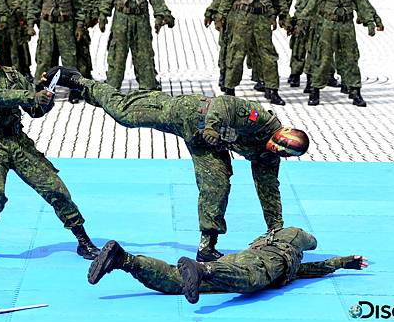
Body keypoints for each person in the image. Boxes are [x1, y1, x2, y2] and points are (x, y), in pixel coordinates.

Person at [49, 66, 311, 262]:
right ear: (281, 132)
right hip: (190, 115)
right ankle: (79, 81)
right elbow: (224, 104)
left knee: (216, 185)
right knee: (124, 114)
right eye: (275, 144)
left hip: (209, 144)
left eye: (279, 152)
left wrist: (275, 227)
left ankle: (206, 246)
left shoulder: (269, 157)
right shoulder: (259, 119)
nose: (272, 149)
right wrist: (212, 126)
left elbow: (269, 191)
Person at [0, 35, 99, 261]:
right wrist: (32, 94)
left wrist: (46, 95)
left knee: (55, 188)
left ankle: (83, 240)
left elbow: (35, 110)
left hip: (18, 142)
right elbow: (2, 97)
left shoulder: (13, 75)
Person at [88, 227, 368, 304]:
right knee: (250, 281)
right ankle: (203, 269)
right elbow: (310, 245)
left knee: (175, 282)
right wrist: (338, 261)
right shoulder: (289, 247)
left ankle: (124, 259)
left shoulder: (288, 262)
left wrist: (343, 263)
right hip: (260, 263)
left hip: (238, 260)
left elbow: (309, 269)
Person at [297, 0, 383, 107]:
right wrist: (300, 20)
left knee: (350, 59)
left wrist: (372, 20)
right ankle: (315, 91)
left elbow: (362, 2)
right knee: (323, 59)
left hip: (346, 26)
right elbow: (313, 3)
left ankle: (355, 91)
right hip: (327, 26)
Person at [216, 0, 291, 104]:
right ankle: (229, 88)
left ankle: (272, 89)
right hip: (241, 19)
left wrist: (284, 16)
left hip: (262, 20)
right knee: (236, 53)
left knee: (268, 55)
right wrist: (220, 16)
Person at [97, 0, 175, 91]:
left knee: (144, 54)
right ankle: (112, 88)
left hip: (141, 21)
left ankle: (148, 87)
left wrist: (162, 15)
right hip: (121, 20)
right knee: (117, 55)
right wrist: (102, 15)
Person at [27, 0, 85, 102]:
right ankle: (40, 88)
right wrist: (30, 23)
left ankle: (74, 89)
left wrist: (79, 26)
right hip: (46, 25)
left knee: (69, 60)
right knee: (44, 58)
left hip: (65, 25)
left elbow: (79, 5)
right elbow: (35, 2)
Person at [205, 0, 248, 91]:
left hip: (249, 18)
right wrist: (213, 12)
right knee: (226, 46)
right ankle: (224, 74)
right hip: (230, 15)